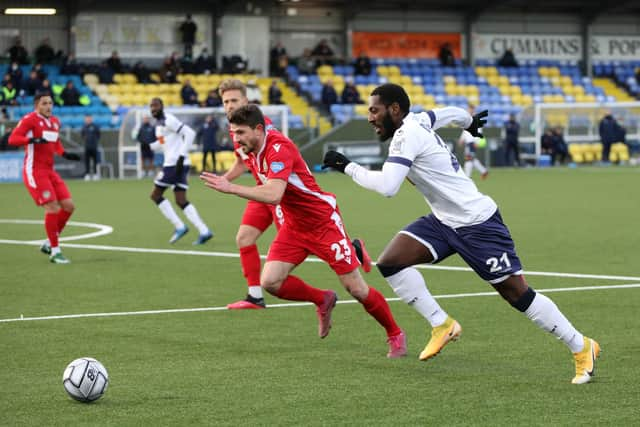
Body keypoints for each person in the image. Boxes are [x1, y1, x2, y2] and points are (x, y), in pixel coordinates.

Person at [322, 83, 600, 384]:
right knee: (391, 262)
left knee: (516, 293)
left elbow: (389, 187)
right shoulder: (420, 120)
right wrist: (469, 121)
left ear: (394, 109)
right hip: (444, 221)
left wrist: (347, 167)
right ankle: (441, 324)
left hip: (477, 223)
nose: (370, 117)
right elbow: (450, 113)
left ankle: (581, 345)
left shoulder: (406, 135)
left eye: (374, 110)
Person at [200, 104, 406, 358]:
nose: (236, 139)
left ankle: (395, 333)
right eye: (233, 133)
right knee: (270, 282)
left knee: (356, 289)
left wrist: (230, 187)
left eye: (240, 133)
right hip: (294, 226)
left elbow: (274, 194)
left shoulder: (278, 148)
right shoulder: (252, 145)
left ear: (258, 129)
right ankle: (322, 299)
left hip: (322, 223)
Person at [216, 79, 371, 310]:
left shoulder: (261, 128)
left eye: (234, 100)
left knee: (298, 240)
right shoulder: (236, 129)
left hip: (280, 192)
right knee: (244, 238)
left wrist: (237, 187)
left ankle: (350, 249)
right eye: (226, 101)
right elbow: (242, 162)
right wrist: (223, 180)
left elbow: (280, 165)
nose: (229, 105)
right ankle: (254, 296)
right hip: (261, 193)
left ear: (246, 100)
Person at [8, 93, 81, 263]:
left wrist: (65, 153)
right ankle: (56, 252)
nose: (48, 106)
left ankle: (49, 243)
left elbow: (54, 142)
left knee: (69, 206)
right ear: (37, 105)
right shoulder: (29, 119)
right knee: (52, 208)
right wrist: (32, 139)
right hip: (35, 171)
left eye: (50, 103)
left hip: (50, 171)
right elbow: (13, 139)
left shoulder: (55, 121)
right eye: (44, 103)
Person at [147, 97, 213, 245]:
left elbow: (190, 133)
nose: (153, 109)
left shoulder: (169, 119)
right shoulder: (159, 125)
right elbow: (164, 143)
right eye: (151, 106)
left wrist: (182, 156)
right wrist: (149, 145)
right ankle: (204, 231)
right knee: (180, 200)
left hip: (174, 164)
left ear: (162, 106)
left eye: (156, 105)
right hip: (175, 164)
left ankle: (179, 226)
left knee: (155, 195)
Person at [457, 107, 488, 179]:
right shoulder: (467, 120)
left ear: (473, 110)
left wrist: (477, 142)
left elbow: (479, 131)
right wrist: (461, 139)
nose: (469, 111)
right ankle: (484, 171)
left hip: (472, 142)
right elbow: (465, 131)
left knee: (468, 158)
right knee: (471, 158)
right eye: (468, 110)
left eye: (470, 110)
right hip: (468, 142)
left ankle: (467, 176)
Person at [81, 115, 101, 180]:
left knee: (95, 161)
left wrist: (95, 142)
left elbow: (98, 135)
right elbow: (82, 135)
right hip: (87, 147)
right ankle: (87, 174)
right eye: (87, 118)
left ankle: (95, 174)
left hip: (94, 147)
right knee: (87, 161)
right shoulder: (84, 127)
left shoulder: (95, 126)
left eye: (89, 118)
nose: (88, 120)